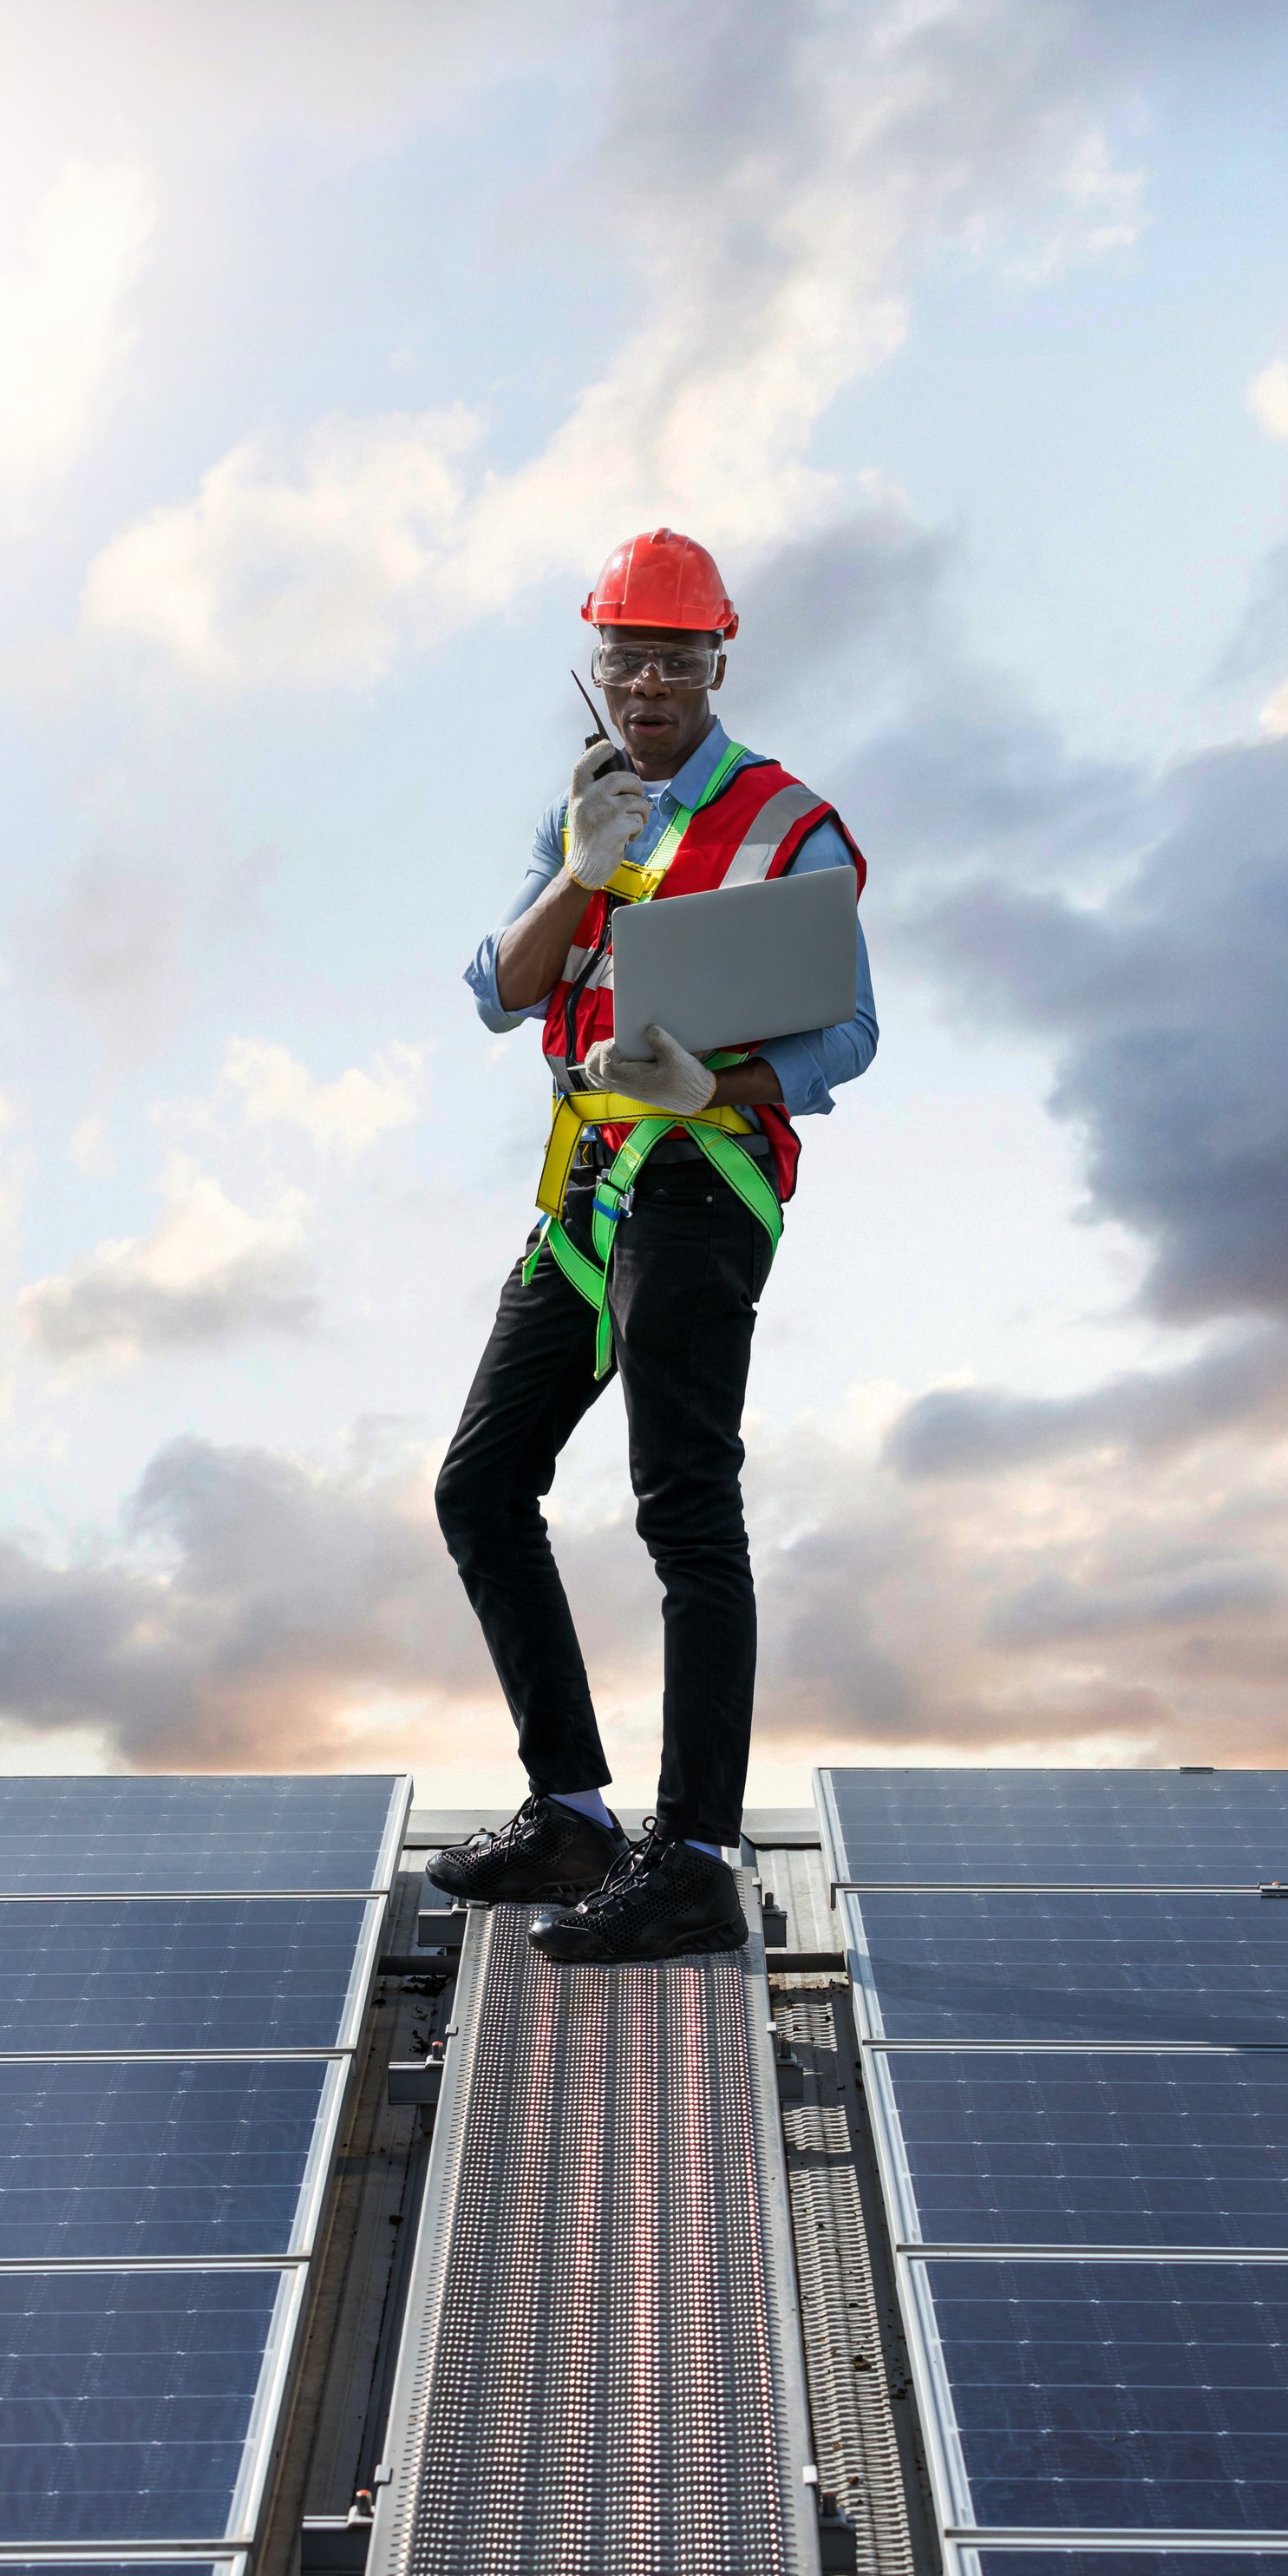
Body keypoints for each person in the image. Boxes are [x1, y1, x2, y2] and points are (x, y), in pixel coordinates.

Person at [428, 527, 877, 1961]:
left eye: (674, 654)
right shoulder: (582, 814)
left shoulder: (785, 823)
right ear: (598, 661)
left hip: (703, 1180)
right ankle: (571, 1810)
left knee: (684, 1507)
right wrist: (582, 867)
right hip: (583, 1190)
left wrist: (721, 1086)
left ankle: (691, 1854)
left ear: (718, 658)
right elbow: (500, 993)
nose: (646, 678)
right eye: (624, 652)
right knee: (481, 1484)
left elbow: (851, 1035)